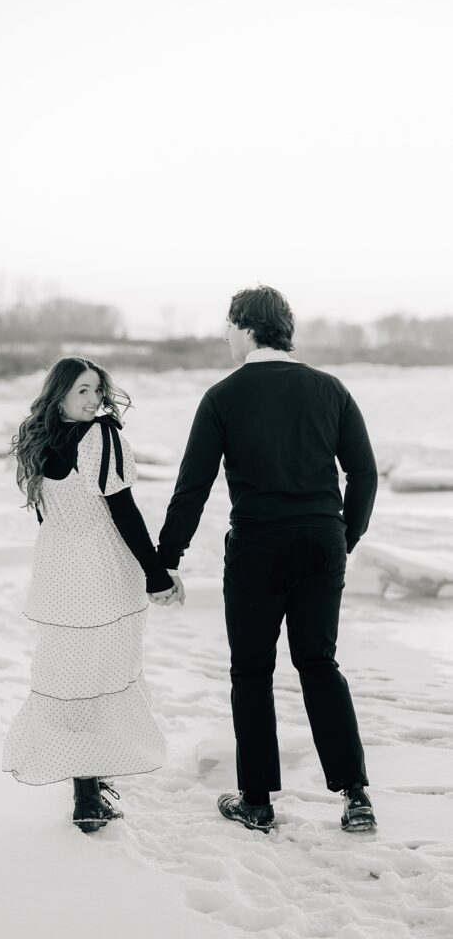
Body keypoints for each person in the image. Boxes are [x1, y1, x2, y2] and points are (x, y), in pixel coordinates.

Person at [155, 286, 379, 833]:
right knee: (319, 664)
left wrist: (165, 560)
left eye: (227, 326)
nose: (223, 336)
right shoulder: (330, 389)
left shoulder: (223, 396)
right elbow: (365, 475)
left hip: (258, 548)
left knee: (252, 671)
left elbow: (193, 488)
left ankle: (256, 802)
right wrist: (340, 540)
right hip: (320, 543)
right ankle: (356, 797)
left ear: (243, 325)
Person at [2, 356, 182, 832]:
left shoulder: (37, 438)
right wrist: (156, 573)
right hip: (100, 567)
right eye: (83, 390)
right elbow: (124, 511)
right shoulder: (103, 436)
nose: (95, 400)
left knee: (73, 675)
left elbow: (47, 514)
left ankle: (85, 789)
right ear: (58, 392)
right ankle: (88, 791)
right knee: (100, 672)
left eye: (98, 390)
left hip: (58, 572)